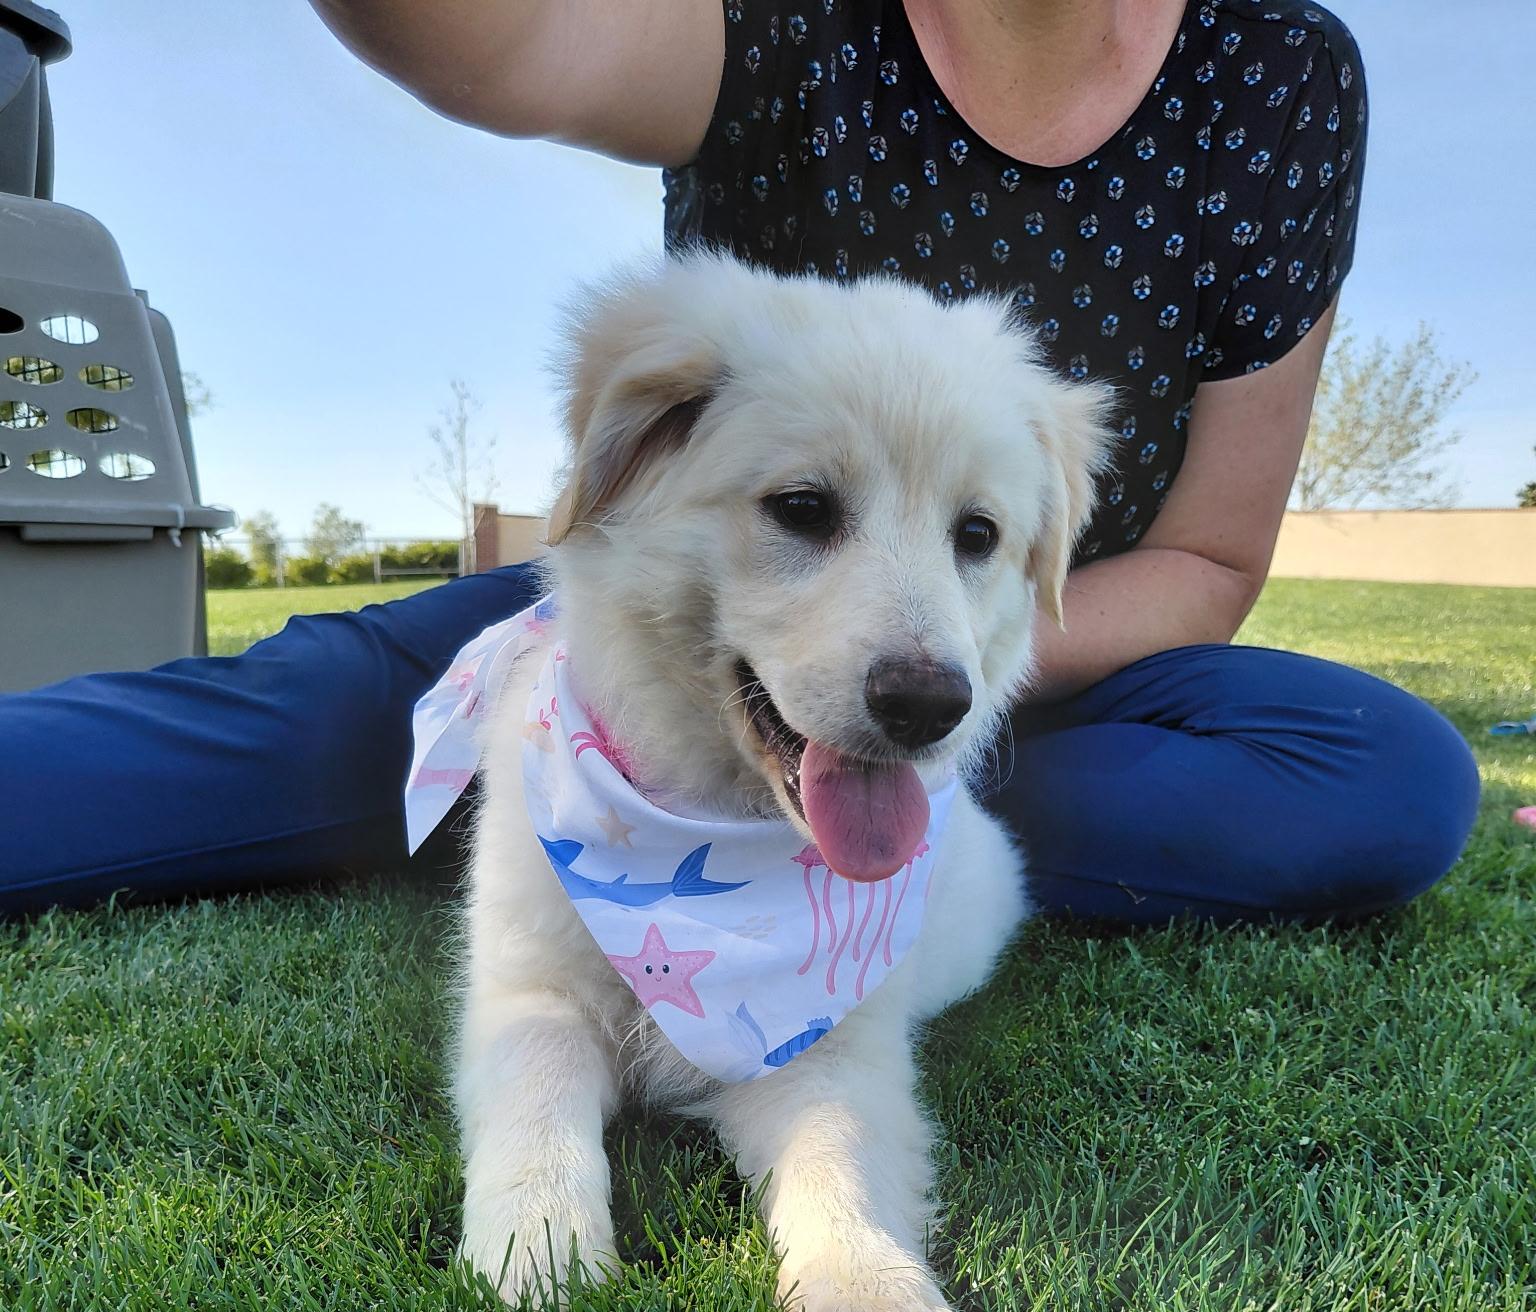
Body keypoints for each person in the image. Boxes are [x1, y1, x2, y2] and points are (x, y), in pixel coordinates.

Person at [0, 0, 1480, 923]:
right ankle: (584, 789)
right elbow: (495, 30)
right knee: (300, 715)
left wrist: (945, 694)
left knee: (1385, 776)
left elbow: (1212, 562)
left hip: (1028, 657)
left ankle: (722, 835)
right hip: (669, 624)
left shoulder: (1273, 75)